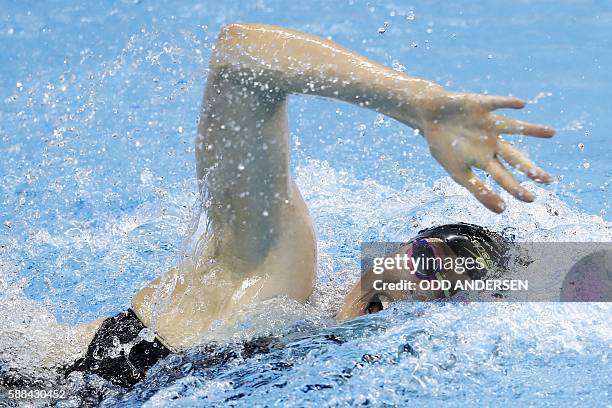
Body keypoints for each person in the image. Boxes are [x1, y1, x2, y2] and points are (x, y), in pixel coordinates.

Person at [61, 23, 555, 387]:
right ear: (391, 250)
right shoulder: (272, 280)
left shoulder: (311, 347)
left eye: (442, 296)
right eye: (424, 263)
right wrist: (418, 101)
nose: (412, 293)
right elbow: (239, 59)